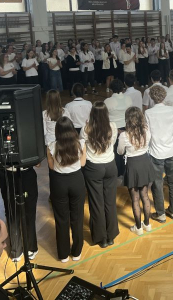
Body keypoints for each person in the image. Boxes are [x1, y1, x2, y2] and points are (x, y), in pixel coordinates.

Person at [47, 117, 87, 263]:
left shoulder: (51, 146)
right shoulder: (81, 144)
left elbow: (51, 167)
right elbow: (82, 164)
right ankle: (76, 252)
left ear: (57, 131)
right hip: (76, 180)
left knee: (61, 219)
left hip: (59, 182)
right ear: (72, 129)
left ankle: (63, 254)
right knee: (77, 217)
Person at [80, 102, 119, 248]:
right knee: (110, 202)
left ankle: (101, 238)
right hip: (110, 166)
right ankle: (111, 235)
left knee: (97, 203)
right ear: (106, 113)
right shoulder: (113, 126)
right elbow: (112, 143)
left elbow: (82, 146)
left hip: (93, 167)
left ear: (92, 114)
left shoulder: (86, 129)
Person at [117, 107, 155, 235]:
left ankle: (138, 228)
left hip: (133, 165)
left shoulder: (124, 135)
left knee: (135, 198)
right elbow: (148, 144)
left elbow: (120, 152)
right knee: (145, 195)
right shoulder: (146, 131)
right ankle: (147, 224)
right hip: (145, 162)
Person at [145, 85, 173, 223]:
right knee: (172, 181)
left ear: (152, 97)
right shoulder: (172, 110)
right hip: (170, 150)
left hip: (156, 152)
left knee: (157, 183)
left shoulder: (148, 113)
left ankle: (161, 214)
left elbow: (147, 134)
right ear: (164, 96)